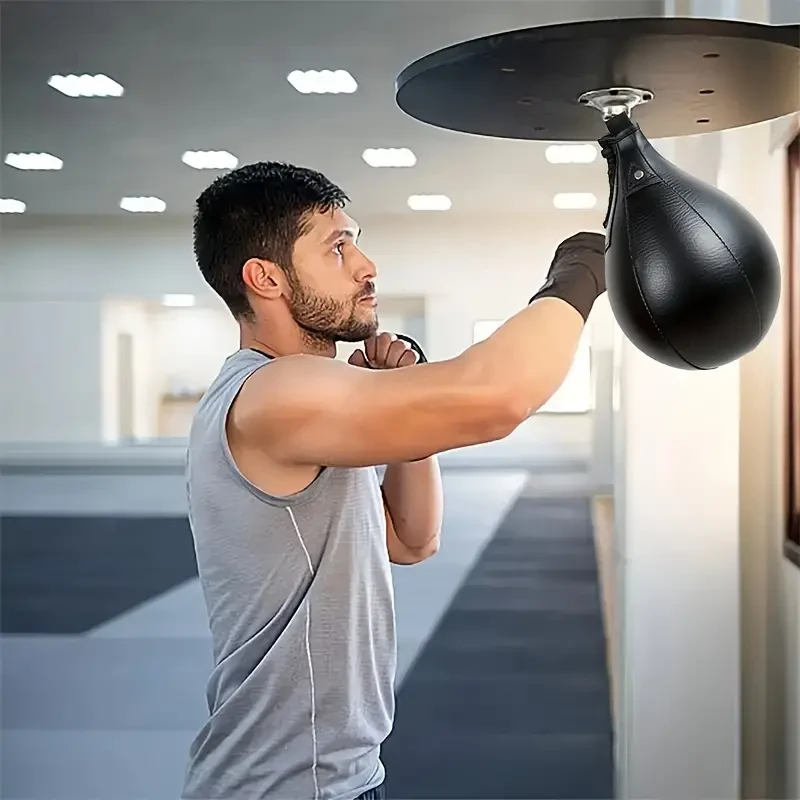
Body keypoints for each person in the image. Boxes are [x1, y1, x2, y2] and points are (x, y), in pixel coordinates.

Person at [181, 161, 606, 800]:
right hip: (285, 786)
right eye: (338, 247)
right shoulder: (273, 393)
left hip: (342, 775)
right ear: (265, 278)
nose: (366, 264)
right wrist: (580, 272)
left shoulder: (301, 399)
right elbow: (497, 396)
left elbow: (411, 539)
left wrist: (396, 398)